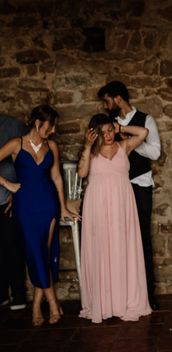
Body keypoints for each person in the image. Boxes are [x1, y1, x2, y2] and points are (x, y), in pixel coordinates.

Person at [0, 105, 74, 326]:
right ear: (37, 123)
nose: (52, 132)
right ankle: (51, 303)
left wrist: (62, 207)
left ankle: (36, 306)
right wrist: (6, 183)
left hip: (48, 204)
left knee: (43, 253)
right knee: (35, 252)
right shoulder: (16, 144)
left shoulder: (51, 146)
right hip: (25, 206)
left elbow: (57, 178)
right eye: (49, 128)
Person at [77, 113, 151, 323]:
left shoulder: (123, 146)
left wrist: (121, 128)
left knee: (122, 247)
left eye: (110, 130)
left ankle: (124, 300)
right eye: (103, 132)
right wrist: (86, 145)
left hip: (122, 203)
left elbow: (143, 132)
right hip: (97, 205)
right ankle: (103, 302)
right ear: (94, 133)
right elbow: (82, 174)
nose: (108, 135)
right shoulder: (90, 152)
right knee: (101, 248)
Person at [98, 80, 161, 310]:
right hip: (115, 187)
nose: (105, 106)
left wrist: (129, 143)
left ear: (117, 99)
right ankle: (121, 294)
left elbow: (155, 151)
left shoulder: (145, 120)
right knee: (116, 238)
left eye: (107, 100)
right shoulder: (106, 124)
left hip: (139, 184)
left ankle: (146, 294)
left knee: (142, 239)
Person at [0, 114, 27, 312]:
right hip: (5, 188)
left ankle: (18, 294)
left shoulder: (14, 125)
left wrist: (15, 191)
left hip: (7, 198)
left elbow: (28, 164)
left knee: (12, 246)